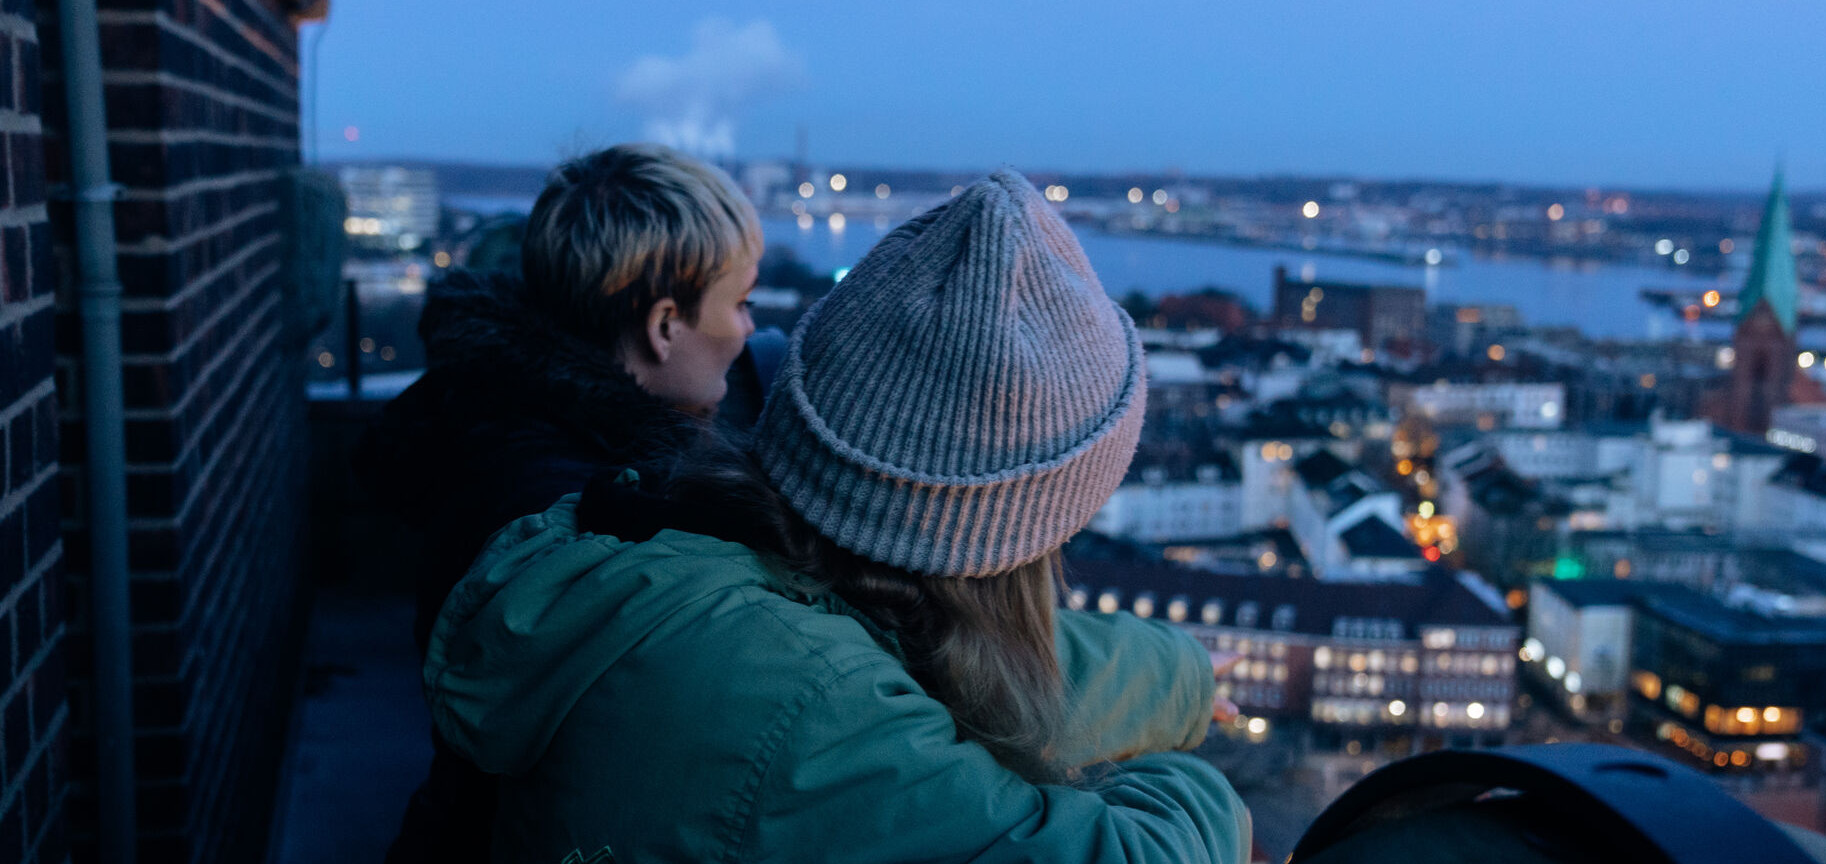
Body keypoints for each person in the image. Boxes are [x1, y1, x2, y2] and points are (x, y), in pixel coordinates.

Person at [424, 171, 1253, 862]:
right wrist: (1200, 783)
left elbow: (940, 651)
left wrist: (1181, 676)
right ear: (1015, 528)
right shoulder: (801, 706)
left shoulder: (701, 548)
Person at [356, 142, 762, 864]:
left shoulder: (493, 423)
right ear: (665, 324)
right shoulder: (585, 516)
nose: (751, 332)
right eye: (742, 301)